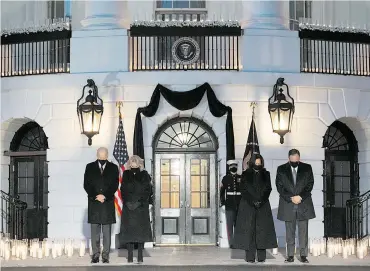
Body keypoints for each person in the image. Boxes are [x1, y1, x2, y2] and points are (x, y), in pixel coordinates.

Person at [233, 154, 277, 263]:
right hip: (248, 205)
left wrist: (260, 201)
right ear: (252, 163)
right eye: (256, 163)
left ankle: (262, 256)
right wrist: (253, 201)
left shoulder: (266, 174)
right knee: (250, 230)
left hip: (263, 206)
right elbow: (243, 190)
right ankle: (250, 256)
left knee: (262, 230)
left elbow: (268, 188)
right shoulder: (245, 174)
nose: (258, 165)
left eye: (259, 163)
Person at [276, 149, 316, 263]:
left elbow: (310, 184)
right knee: (289, 231)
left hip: (303, 203)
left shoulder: (307, 168)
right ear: (289, 159)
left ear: (299, 158)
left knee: (303, 231)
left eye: (297, 160)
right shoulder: (281, 169)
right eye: (293, 160)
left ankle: (303, 255)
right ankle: (290, 256)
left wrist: (300, 196)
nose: (295, 162)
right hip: (288, 203)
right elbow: (279, 186)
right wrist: (291, 197)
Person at [83, 147, 119, 264]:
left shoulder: (113, 168)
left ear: (107, 155)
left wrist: (105, 196)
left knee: (107, 232)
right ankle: (95, 255)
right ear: (97, 154)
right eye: (100, 153)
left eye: (104, 153)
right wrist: (95, 195)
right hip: (94, 203)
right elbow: (86, 184)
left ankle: (105, 256)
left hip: (107, 203)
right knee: (95, 233)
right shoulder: (89, 166)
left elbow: (115, 184)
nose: (102, 155)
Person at [119, 155, 152, 263]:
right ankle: (129, 255)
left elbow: (147, 190)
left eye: (135, 162)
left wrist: (139, 202)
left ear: (139, 163)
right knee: (129, 233)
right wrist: (127, 202)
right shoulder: (126, 174)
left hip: (140, 208)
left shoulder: (144, 174)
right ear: (129, 164)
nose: (133, 163)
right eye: (132, 162)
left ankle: (140, 256)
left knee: (140, 233)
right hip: (128, 208)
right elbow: (123, 189)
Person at [220, 160, 242, 248]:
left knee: (238, 224)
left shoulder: (241, 177)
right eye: (232, 166)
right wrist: (223, 202)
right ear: (229, 168)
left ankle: (238, 242)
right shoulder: (225, 178)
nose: (234, 168)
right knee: (229, 225)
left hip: (239, 204)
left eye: (235, 166)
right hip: (229, 205)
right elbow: (222, 191)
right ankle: (232, 243)